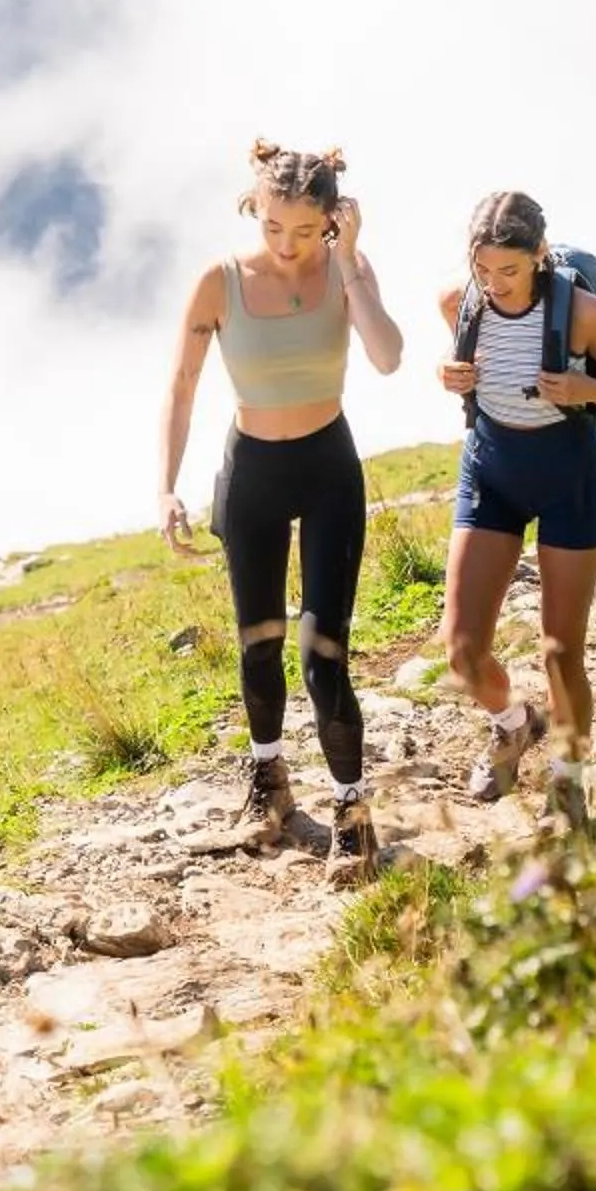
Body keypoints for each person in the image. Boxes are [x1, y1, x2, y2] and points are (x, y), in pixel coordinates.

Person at [159, 141, 404, 883]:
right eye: (273, 227)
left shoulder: (344, 269)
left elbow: (387, 356)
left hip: (328, 469)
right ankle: (269, 783)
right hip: (253, 474)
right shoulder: (220, 283)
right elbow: (182, 384)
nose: (288, 244)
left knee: (323, 655)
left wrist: (350, 261)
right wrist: (166, 486)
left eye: (305, 230)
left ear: (333, 218)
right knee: (257, 644)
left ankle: (354, 819)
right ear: (253, 208)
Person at [437, 189, 596, 825]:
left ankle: (567, 783)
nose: (494, 283)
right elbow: (476, 370)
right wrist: (452, 374)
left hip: (569, 479)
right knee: (461, 651)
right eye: (483, 269)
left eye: (509, 269)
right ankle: (512, 724)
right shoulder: (459, 303)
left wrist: (587, 388)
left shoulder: (581, 312)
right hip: (491, 473)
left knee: (560, 650)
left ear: (539, 255)